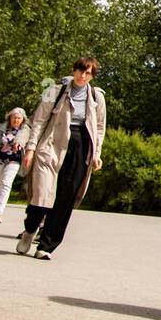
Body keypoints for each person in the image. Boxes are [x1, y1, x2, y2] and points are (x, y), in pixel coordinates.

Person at [17, 57, 107, 260]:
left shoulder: (96, 97)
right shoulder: (54, 91)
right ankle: (30, 230)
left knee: (65, 198)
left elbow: (99, 128)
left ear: (92, 76)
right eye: (80, 71)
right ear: (73, 70)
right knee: (41, 195)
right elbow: (38, 121)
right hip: (51, 145)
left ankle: (46, 246)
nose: (82, 76)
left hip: (81, 148)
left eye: (88, 73)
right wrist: (31, 148)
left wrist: (97, 154)